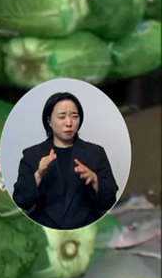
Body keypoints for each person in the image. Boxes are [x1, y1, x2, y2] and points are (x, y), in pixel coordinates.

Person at [12, 92, 119, 230]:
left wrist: (94, 180)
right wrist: (38, 175)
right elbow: (21, 200)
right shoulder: (32, 155)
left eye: (74, 116)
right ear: (49, 120)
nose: (69, 123)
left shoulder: (96, 153)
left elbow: (109, 201)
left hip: (87, 229)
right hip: (44, 230)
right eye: (62, 116)